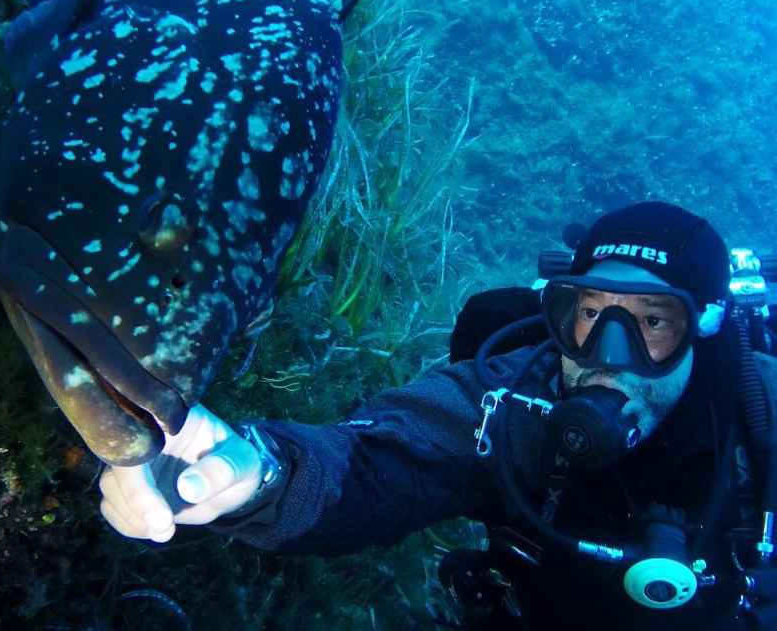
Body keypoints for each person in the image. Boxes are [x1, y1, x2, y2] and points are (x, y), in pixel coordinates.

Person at [99, 201, 777, 630]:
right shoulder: (510, 405)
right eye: (591, 315)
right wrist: (259, 474)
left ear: (704, 330)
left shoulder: (760, 414)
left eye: (652, 322)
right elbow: (377, 461)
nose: (608, 357)